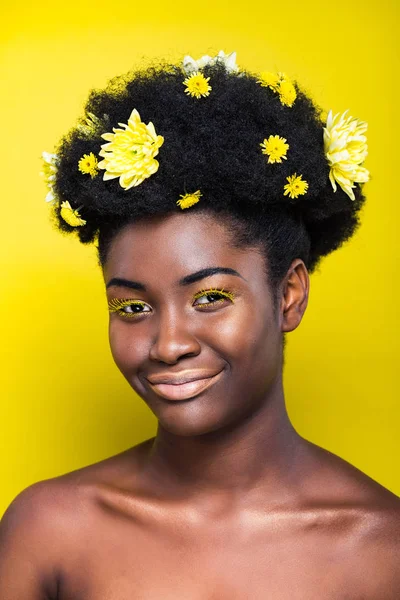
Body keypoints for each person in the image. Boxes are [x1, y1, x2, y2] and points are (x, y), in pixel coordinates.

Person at [0, 51, 399, 599]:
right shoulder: (48, 532)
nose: (167, 345)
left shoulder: (383, 549)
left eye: (209, 297)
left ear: (288, 294)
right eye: (132, 308)